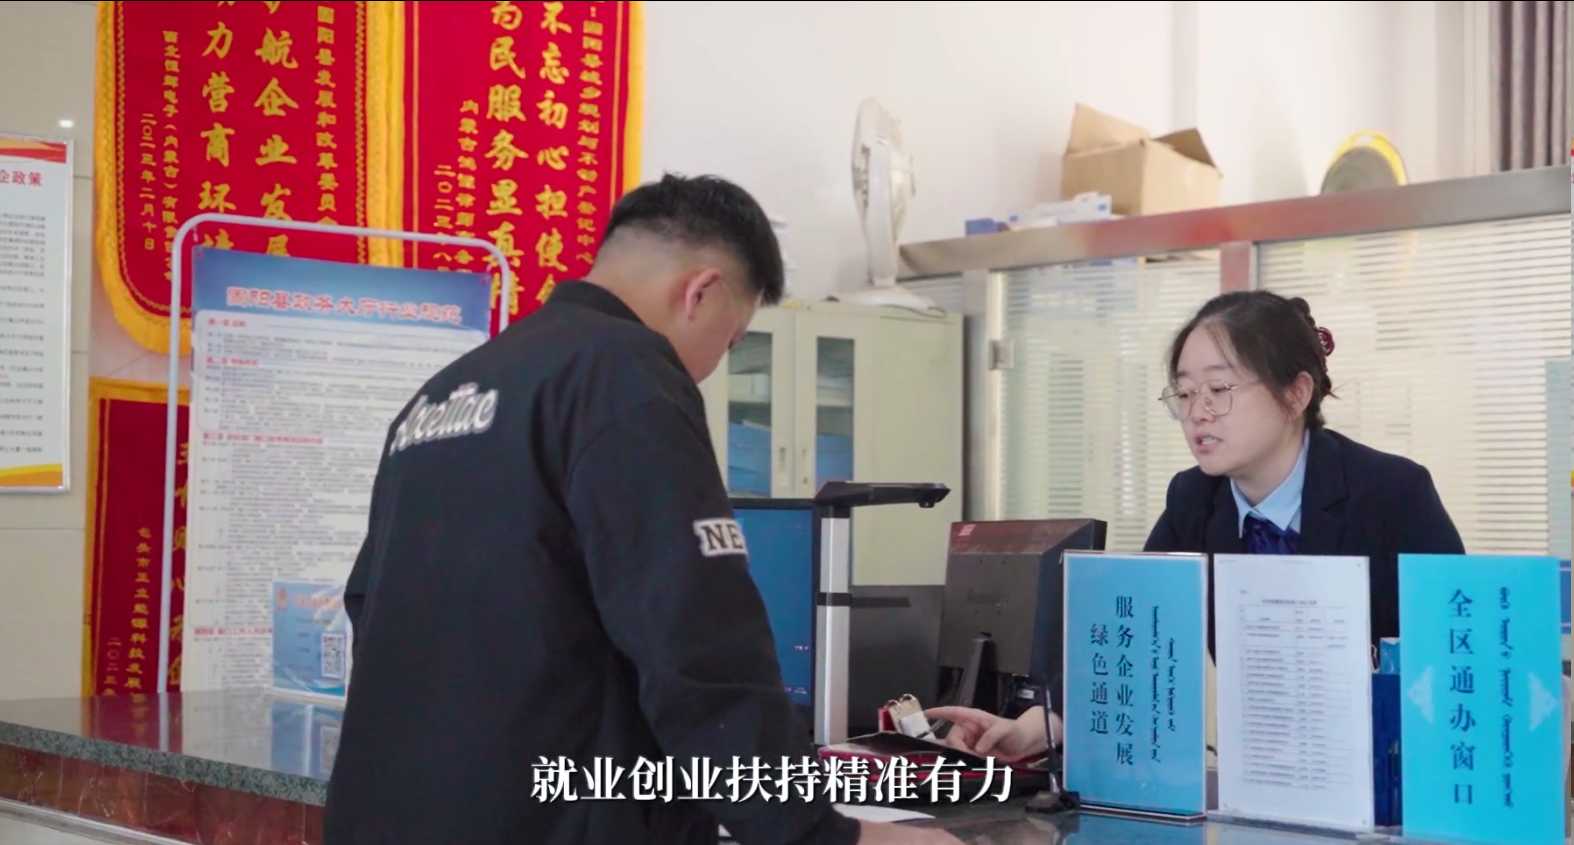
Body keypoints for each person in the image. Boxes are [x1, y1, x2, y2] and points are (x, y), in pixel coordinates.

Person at [324, 174, 962, 845]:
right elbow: (701, 645)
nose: (714, 365)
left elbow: (370, 605)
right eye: (732, 339)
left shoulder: (445, 393)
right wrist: (823, 835)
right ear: (700, 292)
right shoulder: (626, 375)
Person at [929, 290, 1464, 761]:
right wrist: (1034, 728)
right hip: (1264, 766)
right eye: (1185, 394)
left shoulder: (1392, 493)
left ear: (1296, 394)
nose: (1197, 413)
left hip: (1394, 770)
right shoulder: (1195, 499)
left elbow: (1454, 657)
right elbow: (1131, 635)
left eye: (1219, 389)